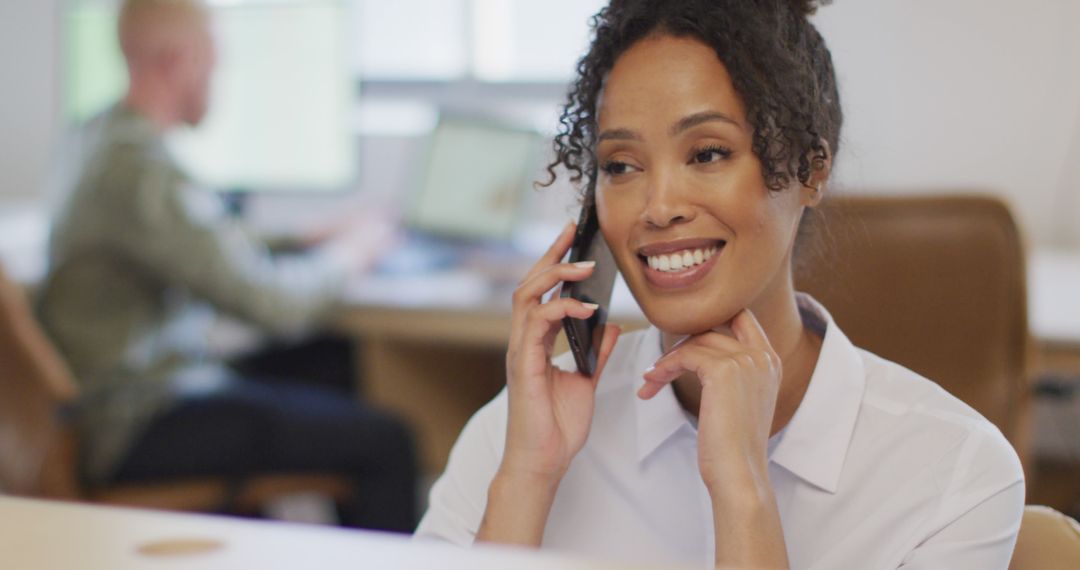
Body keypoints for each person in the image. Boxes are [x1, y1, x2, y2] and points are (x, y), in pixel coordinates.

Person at [415, 0, 1025, 566]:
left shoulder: (956, 474)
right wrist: (528, 473)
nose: (658, 206)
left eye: (707, 154)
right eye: (621, 166)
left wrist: (743, 487)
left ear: (811, 170)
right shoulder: (518, 431)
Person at [37, 0, 417, 531]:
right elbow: (274, 305)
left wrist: (302, 237)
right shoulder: (138, 172)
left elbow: (192, 238)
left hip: (117, 402)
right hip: (134, 420)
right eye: (215, 61)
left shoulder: (99, 138)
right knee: (388, 440)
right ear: (179, 60)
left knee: (334, 360)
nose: (219, 77)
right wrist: (349, 256)